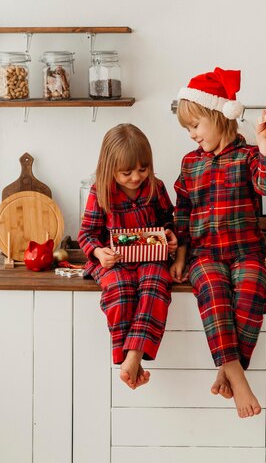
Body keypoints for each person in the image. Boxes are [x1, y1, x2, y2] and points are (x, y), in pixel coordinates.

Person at [170, 67, 266, 419]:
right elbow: (183, 216)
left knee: (252, 287)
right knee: (214, 293)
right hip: (204, 255)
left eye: (195, 126)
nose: (191, 135)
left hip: (245, 251)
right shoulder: (190, 165)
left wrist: (265, 145)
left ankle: (228, 370)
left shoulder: (248, 157)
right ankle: (238, 376)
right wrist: (180, 256)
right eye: (187, 129)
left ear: (218, 116)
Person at [78, 123, 177, 390]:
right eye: (126, 172)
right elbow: (86, 234)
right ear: (110, 168)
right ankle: (132, 358)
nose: (136, 177)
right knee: (120, 290)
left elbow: (171, 221)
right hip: (113, 262)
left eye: (142, 169)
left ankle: (132, 357)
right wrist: (99, 252)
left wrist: (170, 235)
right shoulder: (100, 192)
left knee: (156, 283)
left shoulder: (155, 187)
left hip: (150, 259)